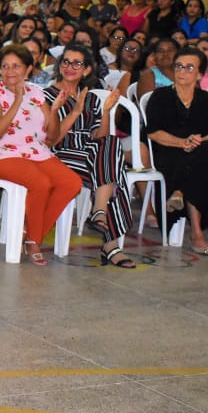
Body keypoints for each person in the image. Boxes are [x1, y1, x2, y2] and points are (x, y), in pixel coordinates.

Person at [0, 44, 82, 266]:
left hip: (35, 152)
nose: (10, 71)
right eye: (5, 66)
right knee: (40, 183)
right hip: (1, 154)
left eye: (16, 66)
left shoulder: (36, 93)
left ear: (28, 69)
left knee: (71, 183)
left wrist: (54, 111)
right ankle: (34, 241)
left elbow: (51, 137)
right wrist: (16, 101)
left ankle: (29, 232)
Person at [43, 45, 135, 267]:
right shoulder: (46, 96)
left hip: (90, 153)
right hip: (60, 153)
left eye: (77, 63)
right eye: (66, 61)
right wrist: (74, 112)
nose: (70, 67)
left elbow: (99, 136)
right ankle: (110, 245)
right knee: (113, 173)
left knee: (110, 147)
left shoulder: (91, 98)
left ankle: (100, 211)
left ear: (86, 70)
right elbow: (51, 140)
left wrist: (106, 111)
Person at [144, 46, 208, 255]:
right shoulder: (160, 96)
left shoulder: (205, 99)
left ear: (199, 74)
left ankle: (179, 192)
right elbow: (153, 133)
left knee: (206, 152)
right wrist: (182, 143)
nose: (182, 71)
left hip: (199, 152)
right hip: (168, 151)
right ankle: (196, 233)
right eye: (179, 66)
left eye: (189, 67)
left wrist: (197, 142)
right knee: (199, 165)